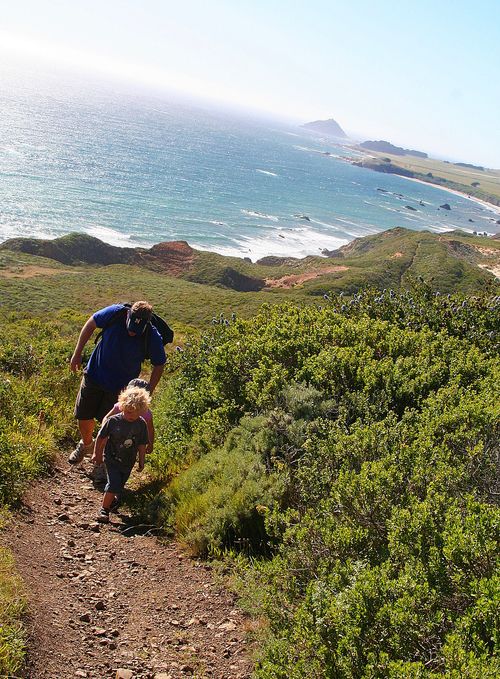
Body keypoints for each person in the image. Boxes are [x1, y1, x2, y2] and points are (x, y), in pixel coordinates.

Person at [68, 301, 166, 465]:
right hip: (94, 375)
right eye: (130, 328)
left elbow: (159, 363)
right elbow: (91, 322)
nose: (132, 333)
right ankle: (86, 444)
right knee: (83, 416)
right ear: (128, 315)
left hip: (120, 390)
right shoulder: (115, 313)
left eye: (137, 331)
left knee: (111, 425)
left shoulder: (152, 335)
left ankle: (102, 462)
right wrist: (77, 353)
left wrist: (149, 390)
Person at [91, 385, 150, 524]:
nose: (130, 415)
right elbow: (101, 437)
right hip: (111, 457)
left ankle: (113, 502)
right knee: (114, 483)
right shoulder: (114, 421)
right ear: (122, 406)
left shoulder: (141, 424)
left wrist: (141, 461)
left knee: (120, 484)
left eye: (134, 413)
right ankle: (104, 509)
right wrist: (96, 454)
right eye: (127, 412)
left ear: (141, 411)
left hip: (128, 460)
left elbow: (142, 444)